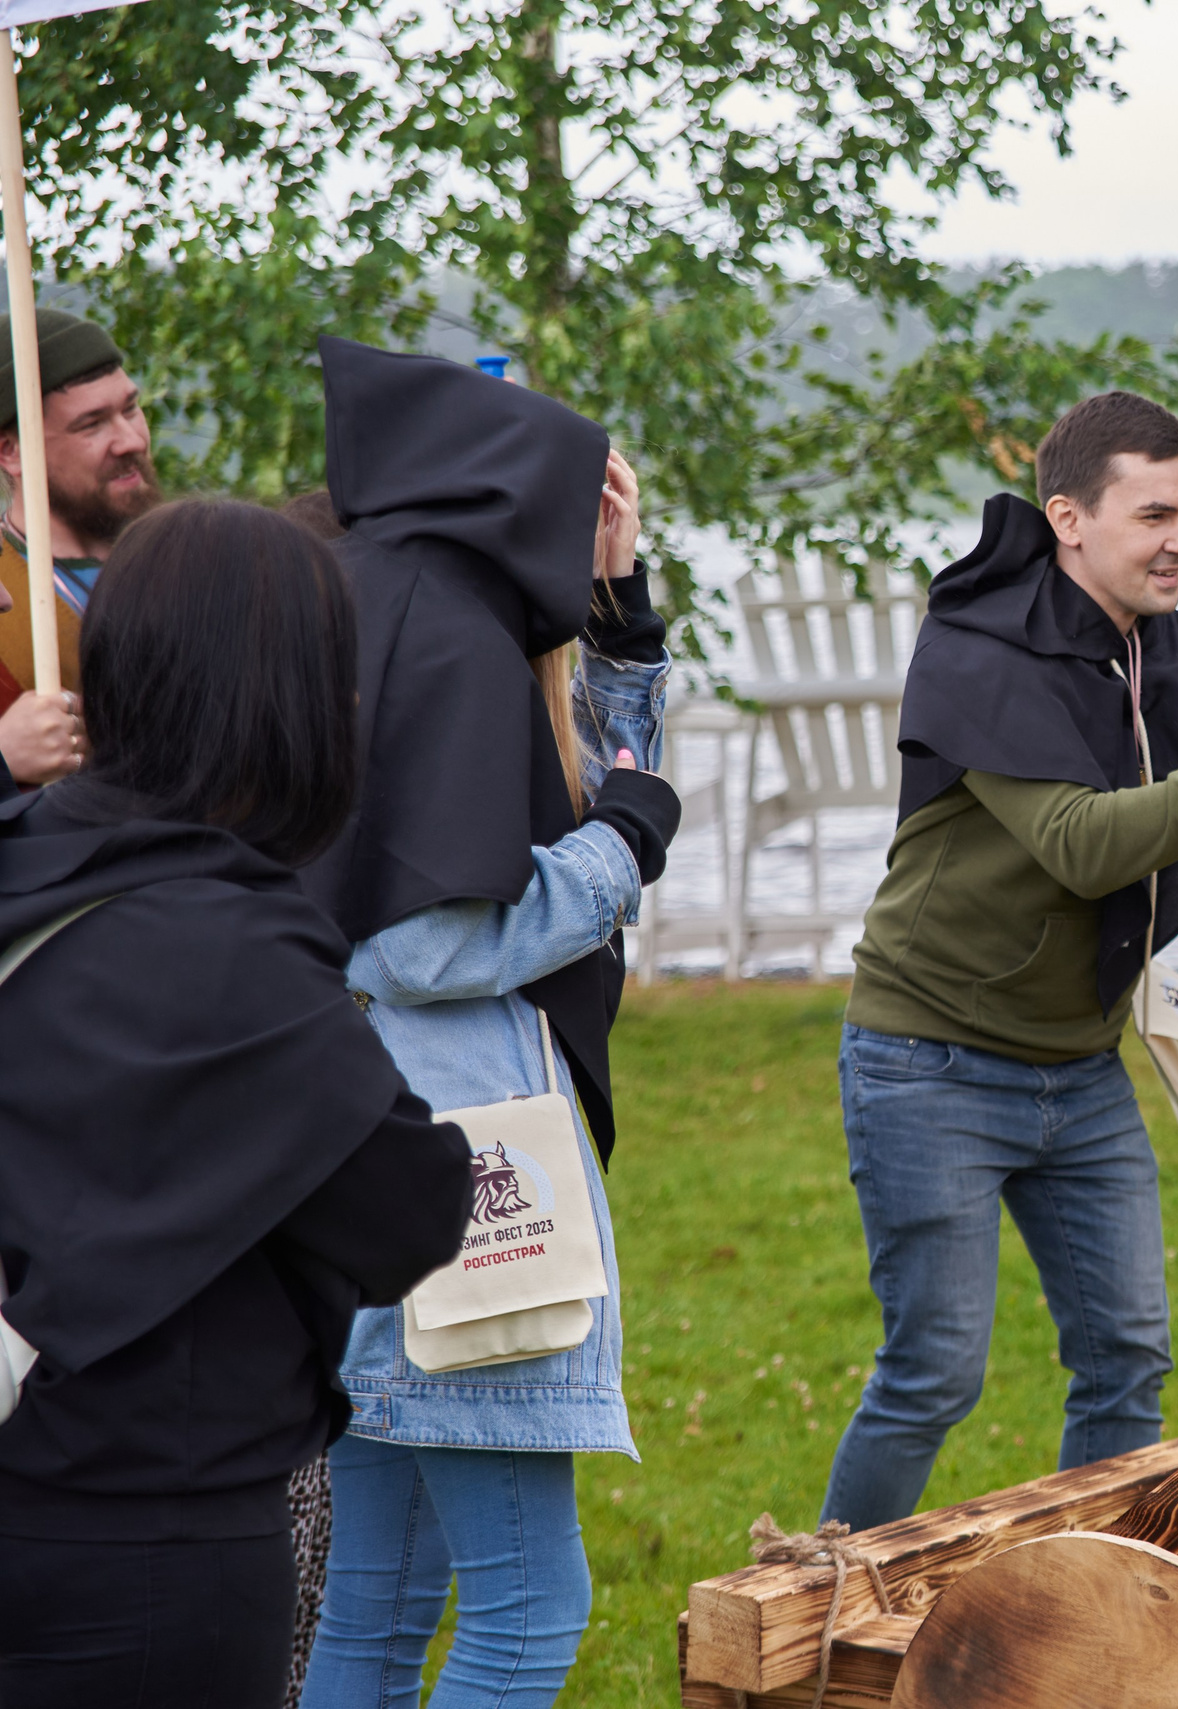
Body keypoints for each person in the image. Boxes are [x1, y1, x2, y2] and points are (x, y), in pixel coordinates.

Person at [822, 390, 1178, 1528]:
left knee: (1127, 1359)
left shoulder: (1173, 653)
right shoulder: (977, 646)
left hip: (1078, 1063)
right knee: (934, 1373)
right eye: (1154, 514)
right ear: (1069, 516)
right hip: (930, 1062)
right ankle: (810, 1607)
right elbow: (1082, 846)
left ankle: (1083, 1605)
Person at [0, 499, 473, 1707]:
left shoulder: (23, 861)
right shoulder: (231, 945)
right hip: (143, 1530)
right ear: (294, 698)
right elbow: (406, 1211)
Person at [297, 338, 681, 1708]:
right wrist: (621, 851)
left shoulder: (367, 597)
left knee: (380, 1603)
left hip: (352, 1157)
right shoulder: (446, 636)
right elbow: (423, 936)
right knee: (529, 1611)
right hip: (462, 1171)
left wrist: (619, 608)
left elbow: (573, 755)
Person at [0, 308, 159, 789]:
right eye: (92, 424)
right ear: (11, 451)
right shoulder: (3, 595)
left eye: (130, 408)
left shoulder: (197, 563)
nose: (130, 440)